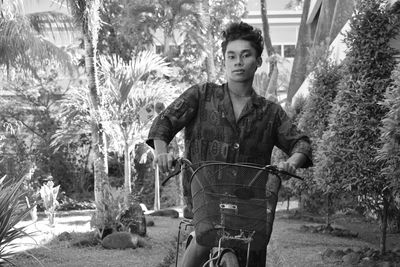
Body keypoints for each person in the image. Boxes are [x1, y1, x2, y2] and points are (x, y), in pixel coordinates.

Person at [146, 21, 312, 267]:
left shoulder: (271, 112)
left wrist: (291, 163)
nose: (238, 62)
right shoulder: (201, 95)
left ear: (257, 61)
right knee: (197, 249)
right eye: (231, 56)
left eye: (246, 55)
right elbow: (164, 123)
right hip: (205, 203)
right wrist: (162, 152)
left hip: (249, 209)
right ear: (223, 60)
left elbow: (301, 142)